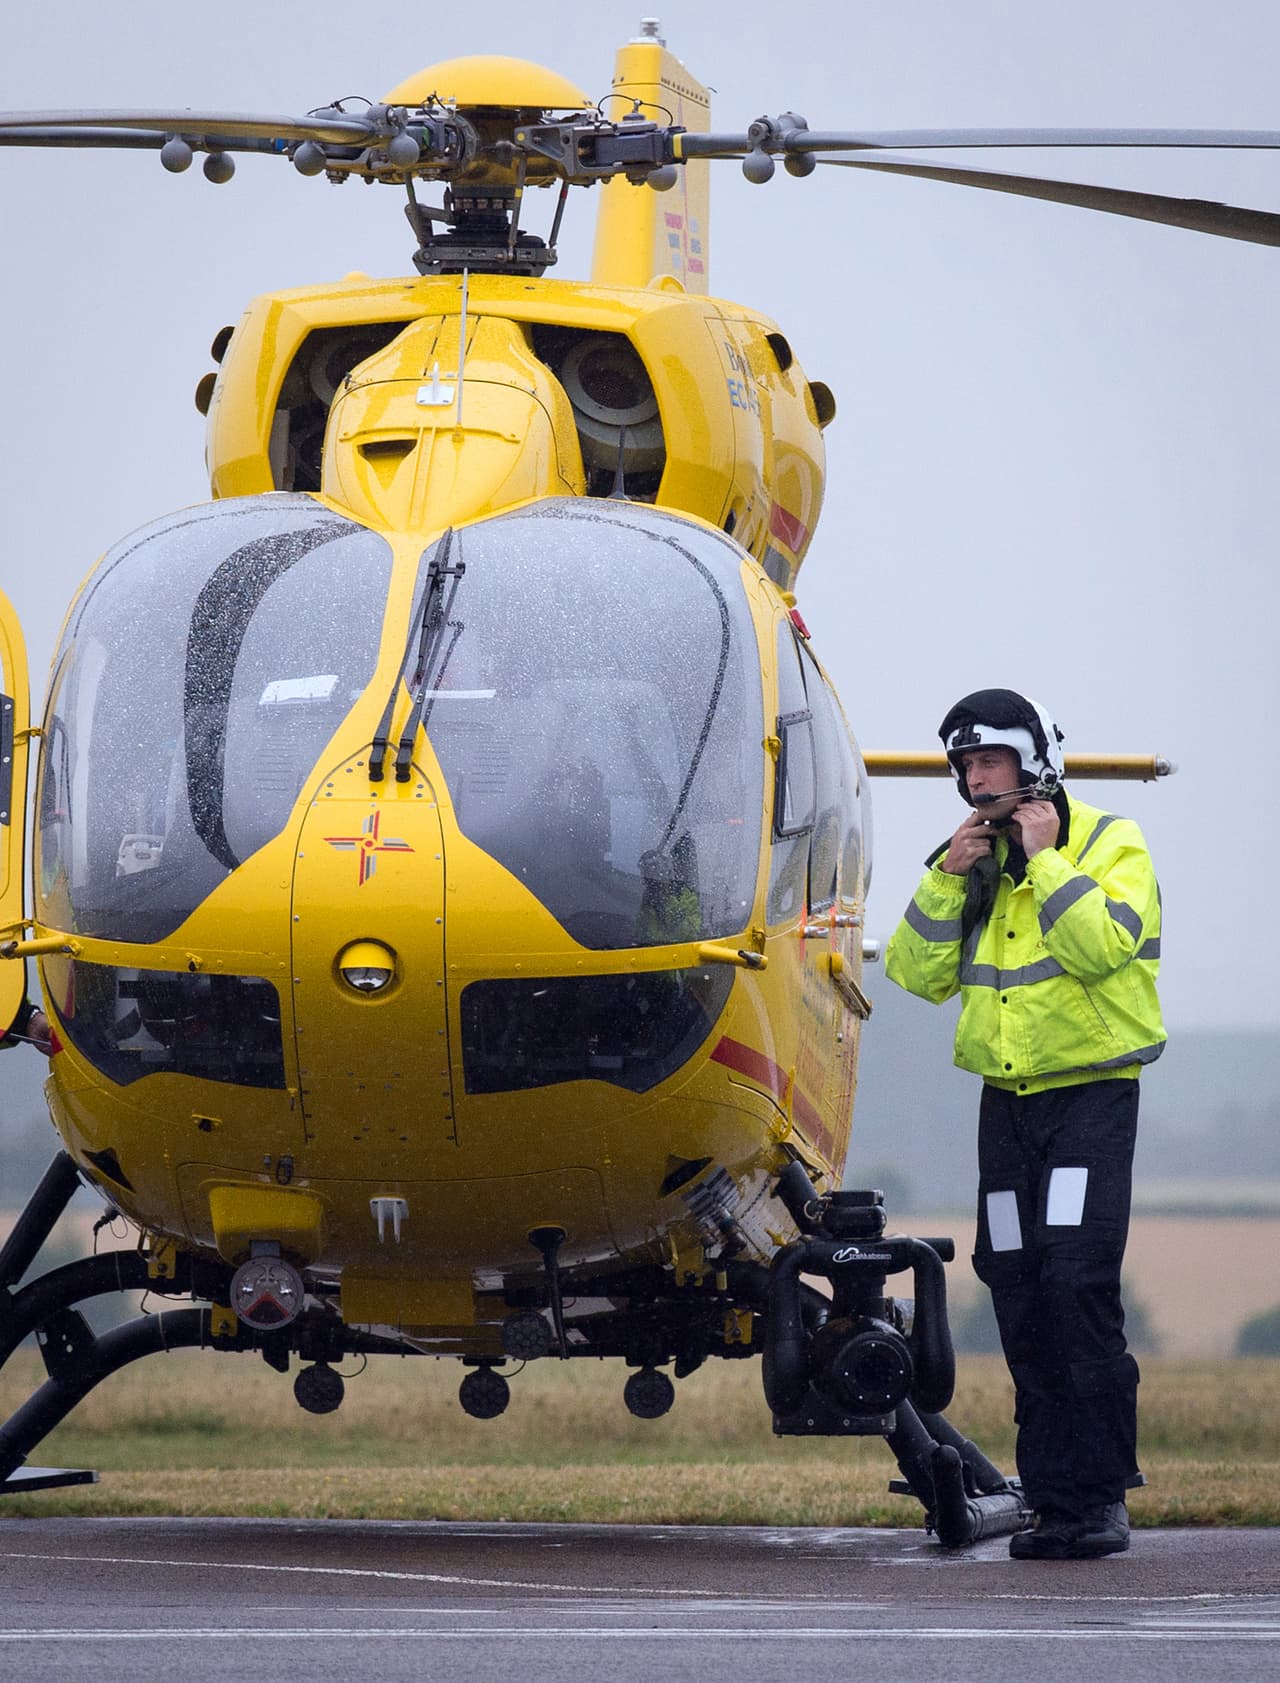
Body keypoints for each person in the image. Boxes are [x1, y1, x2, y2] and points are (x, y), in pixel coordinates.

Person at [885, 689, 1165, 1560]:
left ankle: (1100, 1502)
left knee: (1078, 1289)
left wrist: (1044, 860)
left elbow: (1100, 948)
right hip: (1005, 1110)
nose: (974, 779)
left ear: (1035, 759)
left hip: (1088, 1099)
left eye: (990, 762)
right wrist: (947, 875)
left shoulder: (1110, 843)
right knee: (1018, 1287)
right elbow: (912, 972)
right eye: (965, 766)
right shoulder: (971, 860)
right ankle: (1051, 1498)